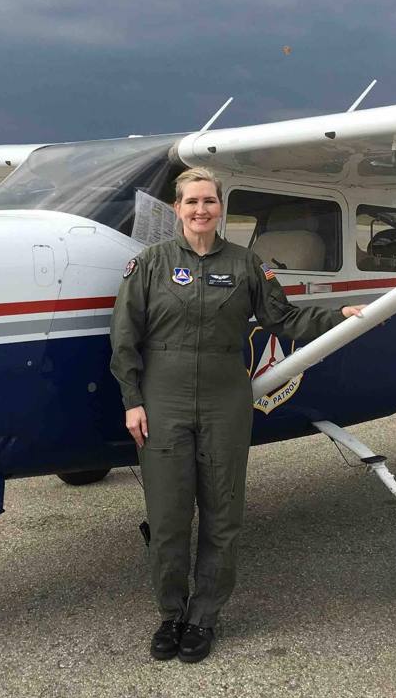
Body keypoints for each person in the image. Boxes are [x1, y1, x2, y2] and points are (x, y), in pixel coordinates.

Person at [109, 167, 364, 663]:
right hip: (164, 399)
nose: (200, 210)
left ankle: (203, 617)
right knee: (167, 518)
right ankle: (170, 614)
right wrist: (131, 400)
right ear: (177, 208)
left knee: (223, 516)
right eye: (191, 202)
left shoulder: (247, 265)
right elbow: (124, 338)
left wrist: (338, 316)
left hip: (226, 400)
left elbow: (284, 319)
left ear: (220, 207)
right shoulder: (150, 264)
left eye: (209, 201)